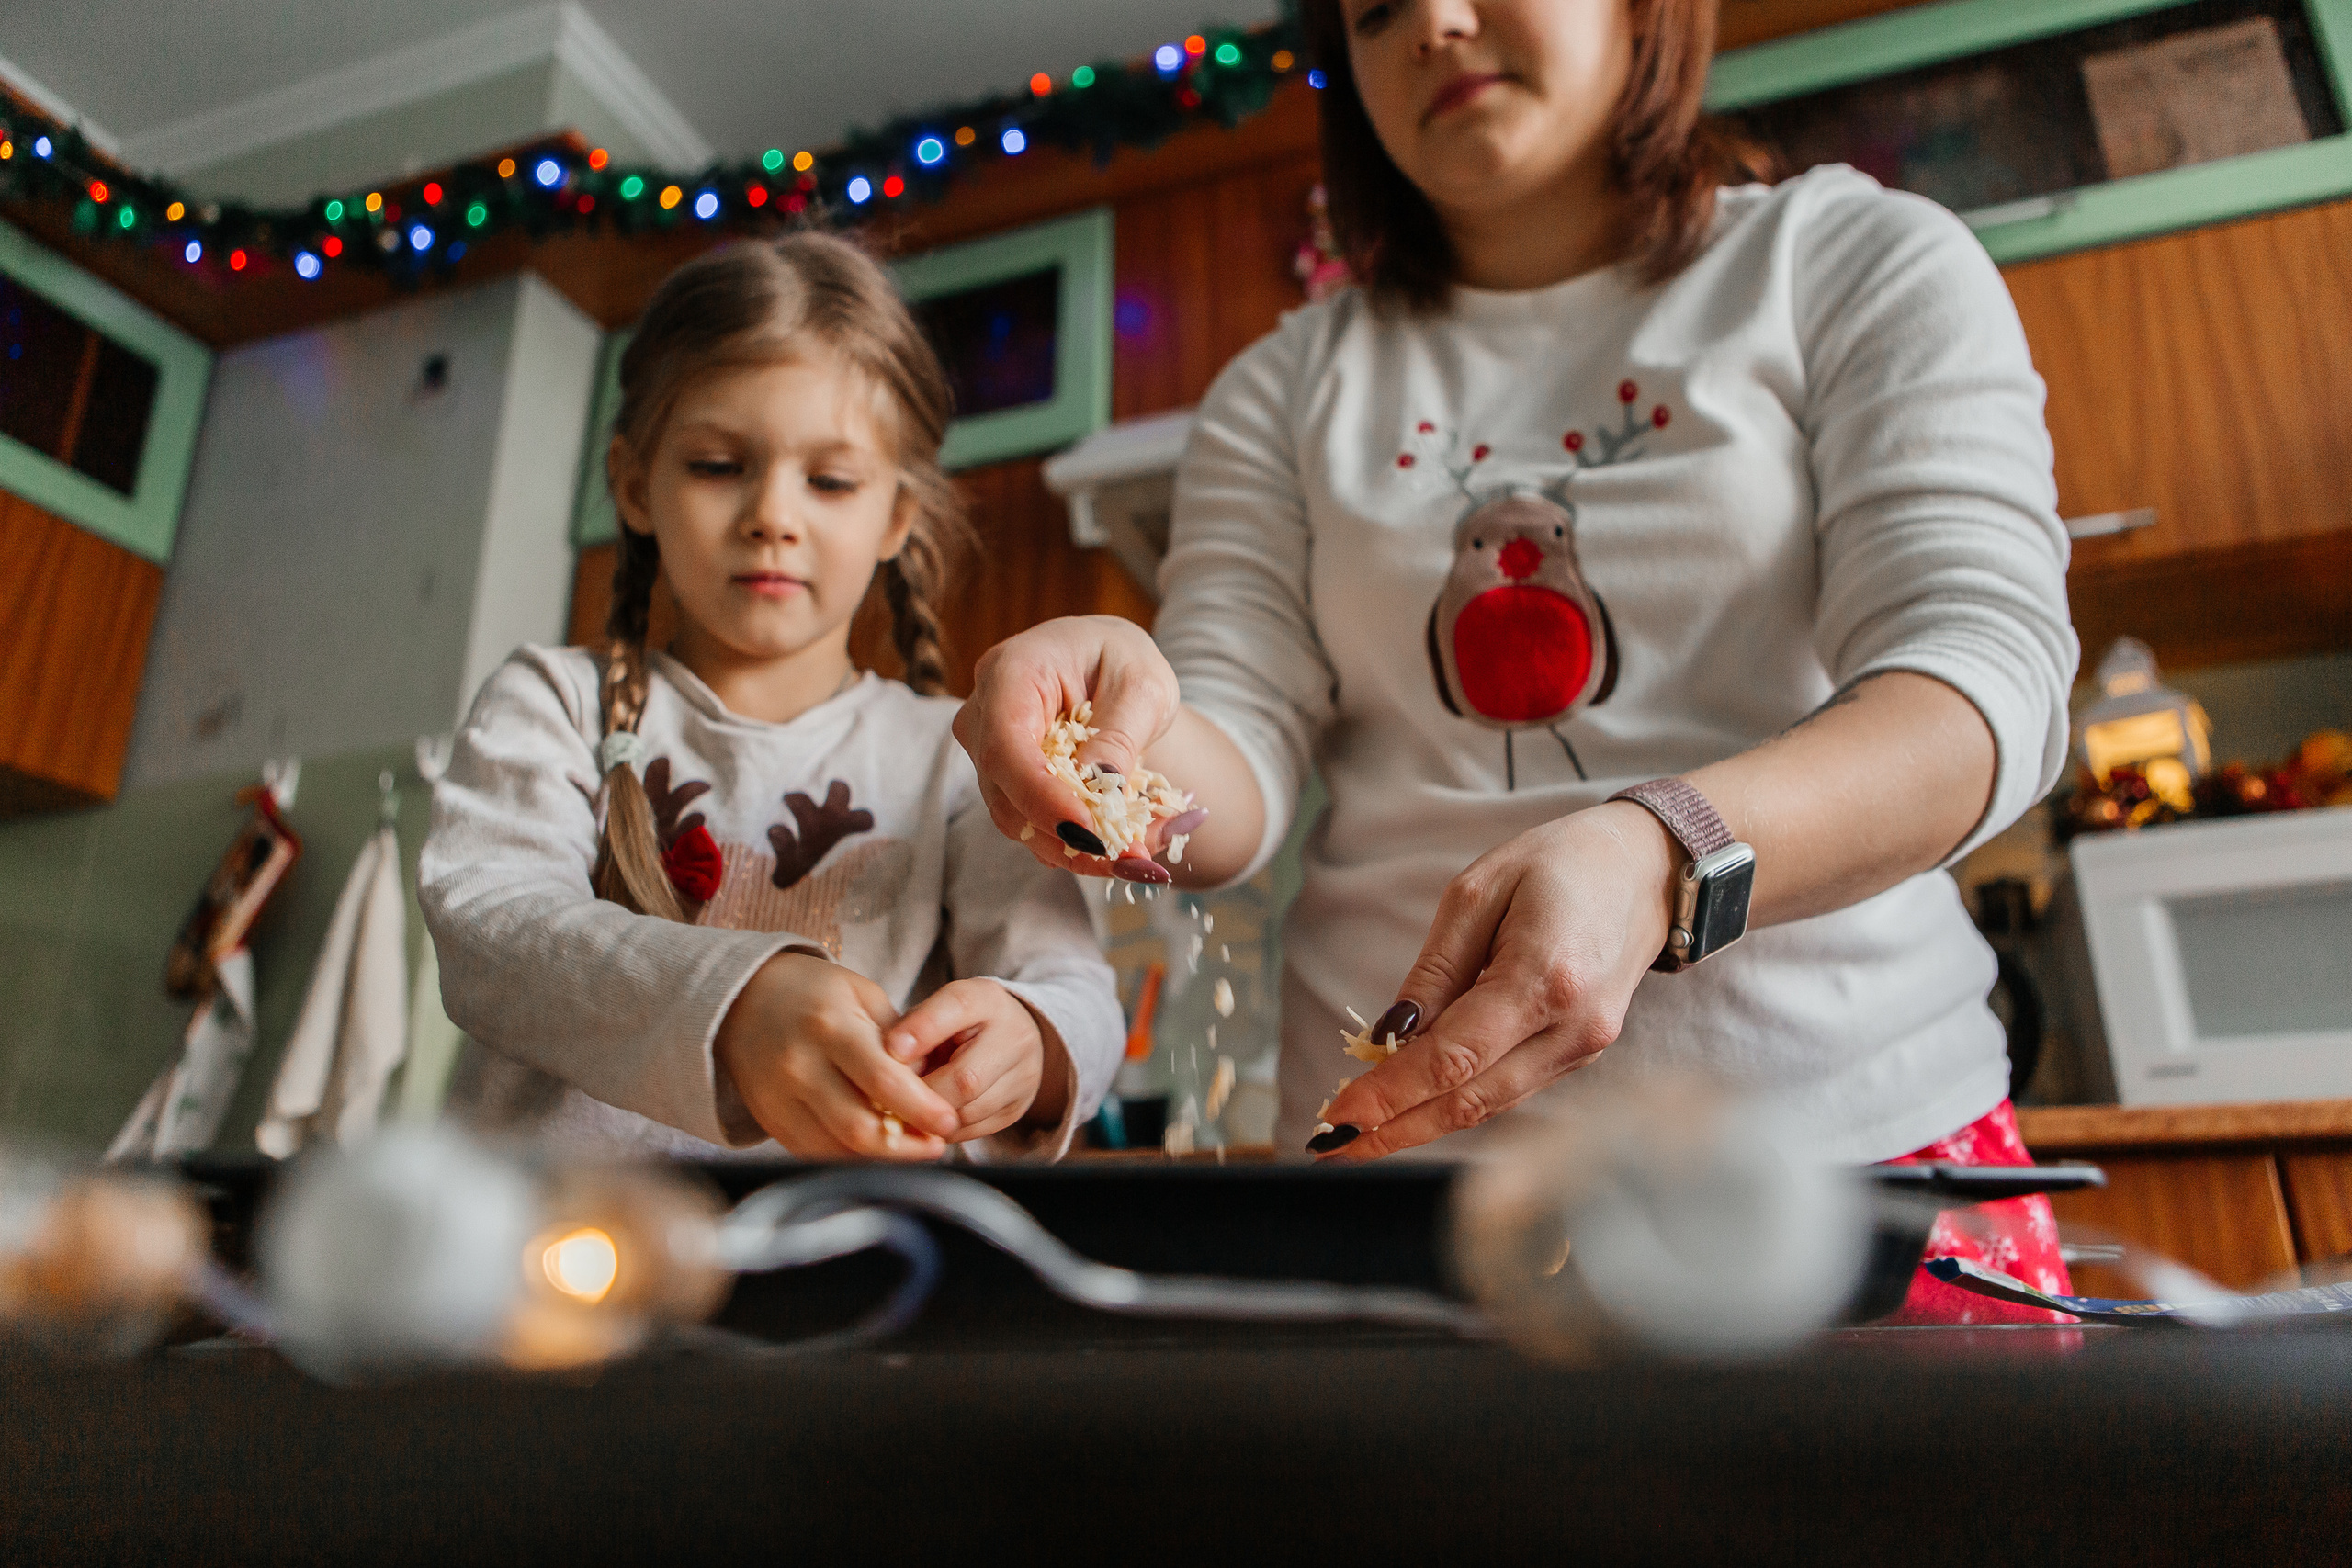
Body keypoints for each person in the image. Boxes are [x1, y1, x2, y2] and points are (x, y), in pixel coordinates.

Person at [954, 0, 2078, 1318]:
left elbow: (1979, 681)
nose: (1430, 19)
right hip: (1403, 1196)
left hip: (1848, 1153)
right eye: (1369, 10)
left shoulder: (1853, 256)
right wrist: (1118, 726)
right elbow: (1232, 754)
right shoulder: (1284, 382)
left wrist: (1665, 847)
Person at [422, 233, 1122, 1162]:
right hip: (539, 1263)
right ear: (635, 486)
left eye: (830, 481)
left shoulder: (955, 755)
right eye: (718, 465)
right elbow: (493, 929)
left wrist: (1032, 1039)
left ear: (895, 518)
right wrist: (739, 999)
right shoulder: (552, 701)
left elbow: (1070, 981)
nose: (772, 517)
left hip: (838, 1257)